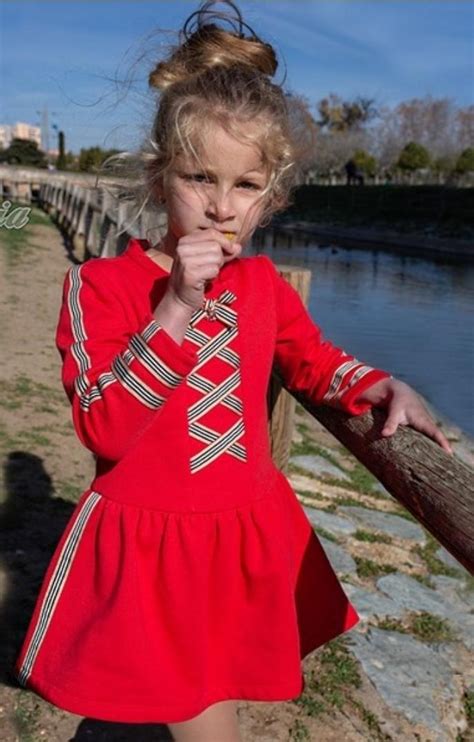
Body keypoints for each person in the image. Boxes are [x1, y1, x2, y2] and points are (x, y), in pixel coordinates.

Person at [13, 2, 453, 740]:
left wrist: (379, 384)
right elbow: (105, 426)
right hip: (153, 551)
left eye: (246, 186)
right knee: (203, 718)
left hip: (239, 538)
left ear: (271, 197)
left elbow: (312, 360)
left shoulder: (263, 288)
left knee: (216, 691)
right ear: (158, 179)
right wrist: (177, 310)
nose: (221, 207)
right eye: (198, 178)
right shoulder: (100, 289)